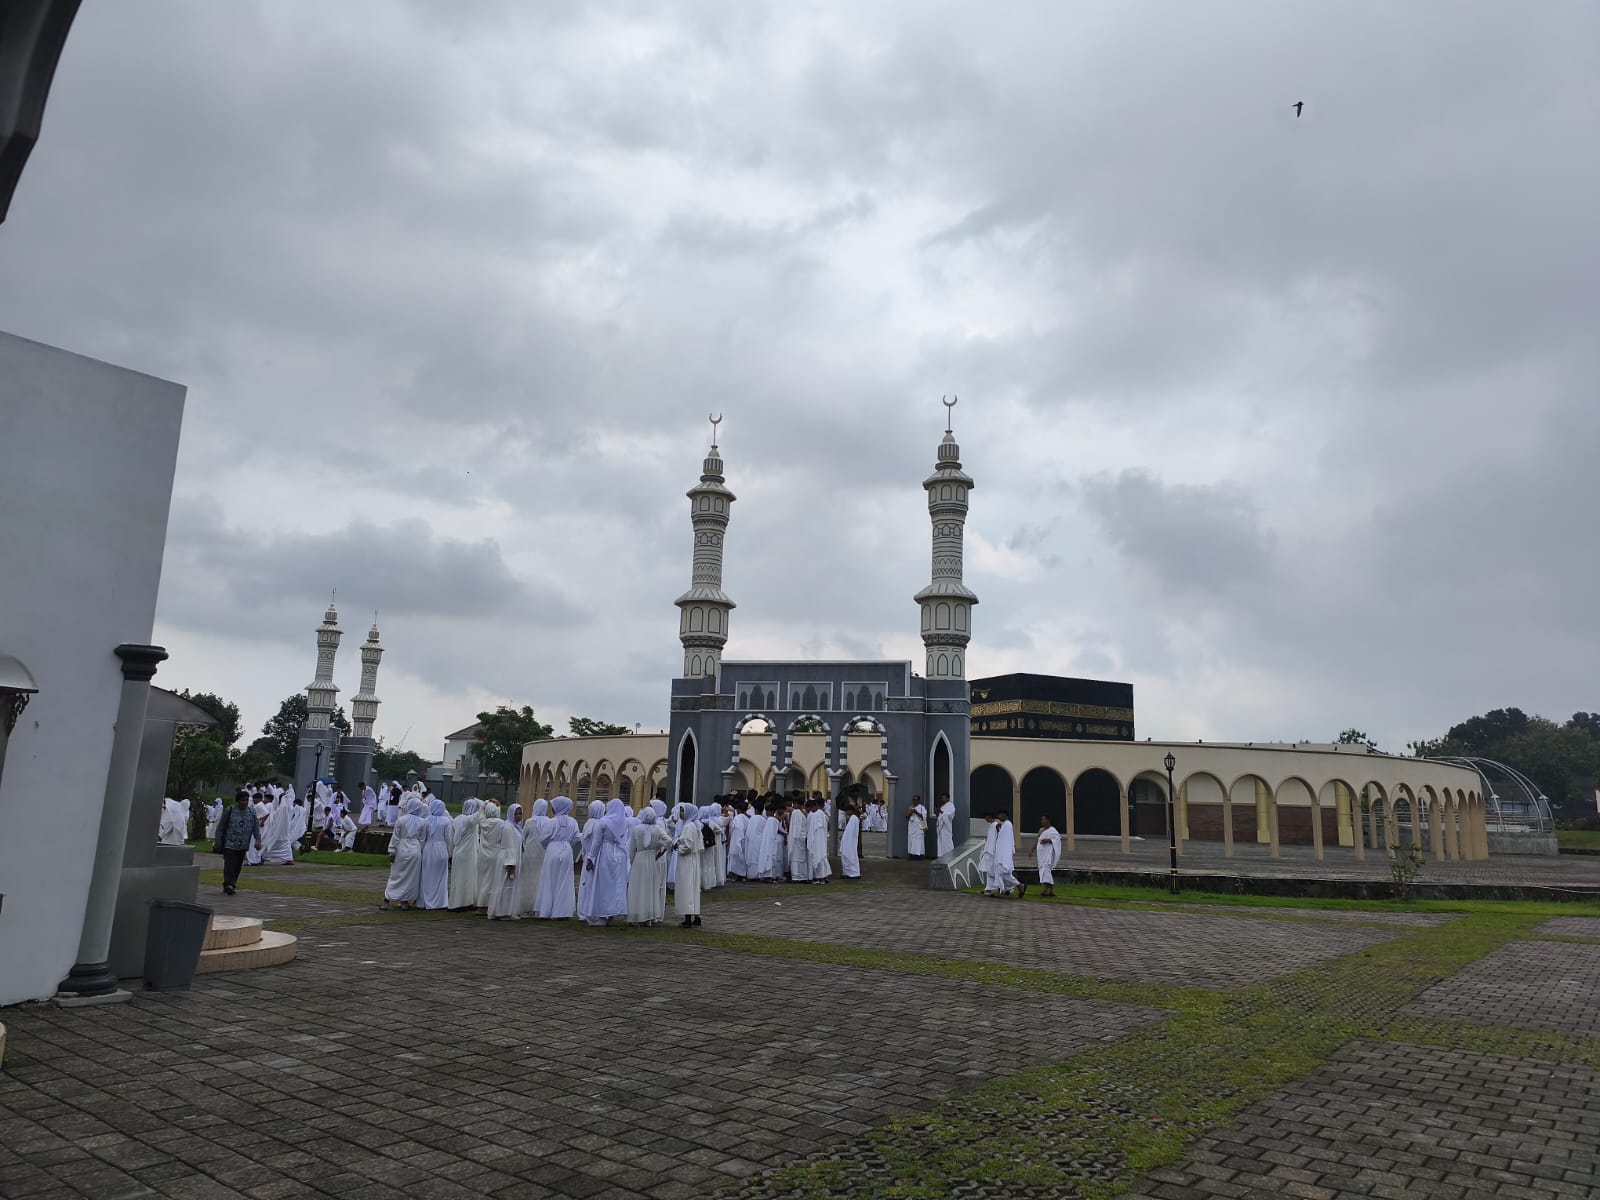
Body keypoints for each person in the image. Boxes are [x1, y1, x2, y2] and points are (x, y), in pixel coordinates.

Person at [535, 797, 580, 919]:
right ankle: (562, 911)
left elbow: (543, 838)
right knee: (565, 880)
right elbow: (577, 838)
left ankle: (546, 910)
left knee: (549, 879)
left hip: (553, 849)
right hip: (567, 850)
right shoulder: (573, 822)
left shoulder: (552, 822)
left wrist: (550, 845)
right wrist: (567, 844)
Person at [588, 799, 631, 926]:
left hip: (606, 853)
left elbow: (596, 842)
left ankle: (602, 916)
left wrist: (591, 857)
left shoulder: (603, 822)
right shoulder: (624, 822)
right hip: (620, 854)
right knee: (616, 885)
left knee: (604, 885)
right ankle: (611, 914)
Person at [211, 790, 262, 896]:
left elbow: (256, 827)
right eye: (242, 800)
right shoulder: (230, 810)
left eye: (246, 800)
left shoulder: (251, 812)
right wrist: (218, 841)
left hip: (243, 843)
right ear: (237, 801)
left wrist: (258, 840)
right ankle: (230, 884)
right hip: (230, 843)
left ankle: (230, 884)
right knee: (229, 864)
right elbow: (221, 827)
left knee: (237, 865)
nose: (245, 802)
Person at [627, 805, 670, 925]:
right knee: (650, 888)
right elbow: (668, 841)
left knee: (637, 887)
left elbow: (632, 849)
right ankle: (648, 917)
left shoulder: (637, 829)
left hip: (639, 860)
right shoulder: (657, 829)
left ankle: (636, 916)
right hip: (651, 860)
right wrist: (658, 848)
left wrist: (632, 861)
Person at [381, 797, 425, 909]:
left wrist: (392, 851)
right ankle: (404, 902)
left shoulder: (401, 820)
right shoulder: (422, 821)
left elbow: (395, 837)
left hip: (401, 848)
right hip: (415, 850)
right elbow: (422, 839)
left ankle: (387, 901)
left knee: (395, 875)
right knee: (410, 877)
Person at [486, 803, 522, 919]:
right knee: (505, 885)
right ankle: (501, 911)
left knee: (510, 886)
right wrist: (511, 865)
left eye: (520, 814)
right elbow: (508, 847)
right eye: (516, 814)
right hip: (508, 861)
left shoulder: (516, 827)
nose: (518, 816)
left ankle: (509, 911)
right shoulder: (508, 827)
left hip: (513, 858)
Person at [671, 801, 704, 927]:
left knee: (686, 887)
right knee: (692, 888)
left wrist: (678, 847)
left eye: (682, 811)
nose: (680, 813)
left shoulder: (689, 826)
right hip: (692, 860)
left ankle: (688, 919)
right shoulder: (693, 825)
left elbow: (688, 845)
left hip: (687, 860)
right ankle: (695, 916)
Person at [515, 799, 549, 918]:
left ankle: (527, 906)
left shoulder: (530, 822)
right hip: (543, 853)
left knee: (528, 879)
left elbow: (523, 836)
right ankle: (539, 905)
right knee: (540, 878)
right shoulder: (549, 822)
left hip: (530, 853)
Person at [448, 798, 483, 910]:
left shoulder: (457, 819)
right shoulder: (471, 819)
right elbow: (484, 807)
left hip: (458, 852)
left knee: (458, 878)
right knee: (468, 878)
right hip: (468, 853)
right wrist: (476, 799)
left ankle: (457, 902)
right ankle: (465, 902)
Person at [418, 798, 452, 910]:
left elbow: (422, 838)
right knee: (441, 876)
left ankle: (425, 900)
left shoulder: (425, 820)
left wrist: (422, 850)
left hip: (428, 848)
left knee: (426, 875)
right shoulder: (446, 821)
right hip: (441, 848)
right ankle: (440, 902)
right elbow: (448, 839)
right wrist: (449, 853)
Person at [576, 800, 605, 922]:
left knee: (585, 884)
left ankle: (583, 910)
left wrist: (586, 856)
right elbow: (596, 842)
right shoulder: (599, 824)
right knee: (592, 885)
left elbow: (584, 841)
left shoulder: (588, 823)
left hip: (588, 856)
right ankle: (590, 910)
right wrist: (591, 858)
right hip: (594, 858)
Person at [986, 810, 1022, 898]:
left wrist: (1003, 856)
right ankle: (1015, 887)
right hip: (1000, 855)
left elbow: (1006, 842)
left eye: (1000, 815)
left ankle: (1014, 886)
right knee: (1001, 873)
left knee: (1001, 872)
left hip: (1003, 855)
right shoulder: (1004, 825)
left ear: (1005, 815)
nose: (999, 817)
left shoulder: (1008, 825)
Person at [475, 801, 504, 909]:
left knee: (483, 880)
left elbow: (481, 811)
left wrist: (486, 802)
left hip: (483, 855)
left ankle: (481, 904)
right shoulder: (501, 823)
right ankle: (490, 903)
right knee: (493, 880)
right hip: (495, 854)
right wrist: (498, 805)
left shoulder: (483, 822)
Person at [1034, 812, 1061, 898]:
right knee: (1043, 870)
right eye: (1041, 820)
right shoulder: (1041, 830)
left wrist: (1048, 840)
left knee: (1046, 870)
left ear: (1048, 820)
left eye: (1043, 820)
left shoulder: (1053, 831)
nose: (1042, 821)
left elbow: (1057, 840)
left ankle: (1047, 889)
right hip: (1041, 854)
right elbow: (1037, 840)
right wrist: (1032, 850)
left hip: (1048, 854)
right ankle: (1051, 890)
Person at [806, 797, 830, 883]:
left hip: (817, 840)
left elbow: (812, 828)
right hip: (819, 840)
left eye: (812, 807)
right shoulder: (822, 814)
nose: (811, 809)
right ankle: (822, 877)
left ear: (816, 806)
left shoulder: (816, 814)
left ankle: (820, 877)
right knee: (820, 857)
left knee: (818, 857)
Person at [787, 798, 810, 883]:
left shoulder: (796, 812)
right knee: (800, 858)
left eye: (795, 804)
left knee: (796, 857)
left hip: (796, 838)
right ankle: (801, 876)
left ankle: (797, 876)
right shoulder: (803, 812)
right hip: (801, 838)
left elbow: (797, 827)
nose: (794, 805)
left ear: (797, 804)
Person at [839, 801, 861, 880]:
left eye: (847, 811)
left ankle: (854, 873)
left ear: (851, 811)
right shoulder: (852, 818)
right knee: (846, 857)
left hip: (850, 841)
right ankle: (846, 873)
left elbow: (850, 832)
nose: (846, 812)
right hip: (848, 841)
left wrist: (845, 838)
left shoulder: (854, 819)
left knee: (851, 857)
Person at [935, 794, 955, 858]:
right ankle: (941, 855)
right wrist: (937, 811)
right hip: (941, 828)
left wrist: (940, 811)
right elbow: (939, 816)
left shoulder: (951, 806)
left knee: (947, 842)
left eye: (943, 798)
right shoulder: (942, 806)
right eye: (942, 798)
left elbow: (950, 815)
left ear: (948, 798)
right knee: (941, 842)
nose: (942, 799)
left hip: (946, 827)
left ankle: (950, 855)